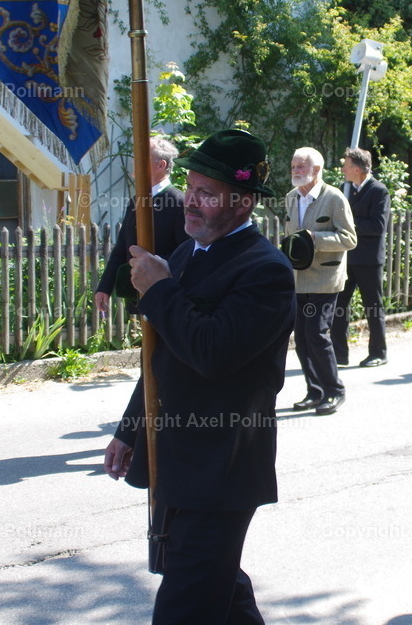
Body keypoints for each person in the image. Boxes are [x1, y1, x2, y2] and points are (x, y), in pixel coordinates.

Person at [102, 129, 296, 624]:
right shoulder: (187, 254)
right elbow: (161, 357)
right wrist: (131, 429)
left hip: (221, 467)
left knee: (185, 604)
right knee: (219, 588)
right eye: (190, 188)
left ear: (243, 202)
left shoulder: (265, 270)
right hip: (175, 461)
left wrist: (161, 291)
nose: (190, 203)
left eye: (207, 194)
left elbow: (211, 353)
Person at [284, 147, 357, 416]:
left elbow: (350, 239)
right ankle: (314, 391)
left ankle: (334, 390)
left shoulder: (335, 198)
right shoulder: (291, 197)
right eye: (293, 165)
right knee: (302, 338)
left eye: (300, 166)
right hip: (298, 278)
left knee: (317, 333)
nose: (295, 170)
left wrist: (317, 238)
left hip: (326, 279)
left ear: (316, 170)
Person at [94, 134, 188, 315]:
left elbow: (187, 252)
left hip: (166, 297)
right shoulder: (136, 200)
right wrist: (105, 287)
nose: (134, 164)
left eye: (141, 159)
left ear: (161, 165)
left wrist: (155, 266)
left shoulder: (179, 203)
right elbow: (122, 247)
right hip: (139, 295)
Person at [332, 147, 391, 368]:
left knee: (373, 306)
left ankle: (378, 352)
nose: (343, 170)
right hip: (347, 257)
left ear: (357, 169)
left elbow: (378, 226)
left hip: (368, 258)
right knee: (339, 304)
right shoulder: (345, 189)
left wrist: (348, 223)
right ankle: (339, 354)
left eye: (346, 166)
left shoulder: (378, 191)